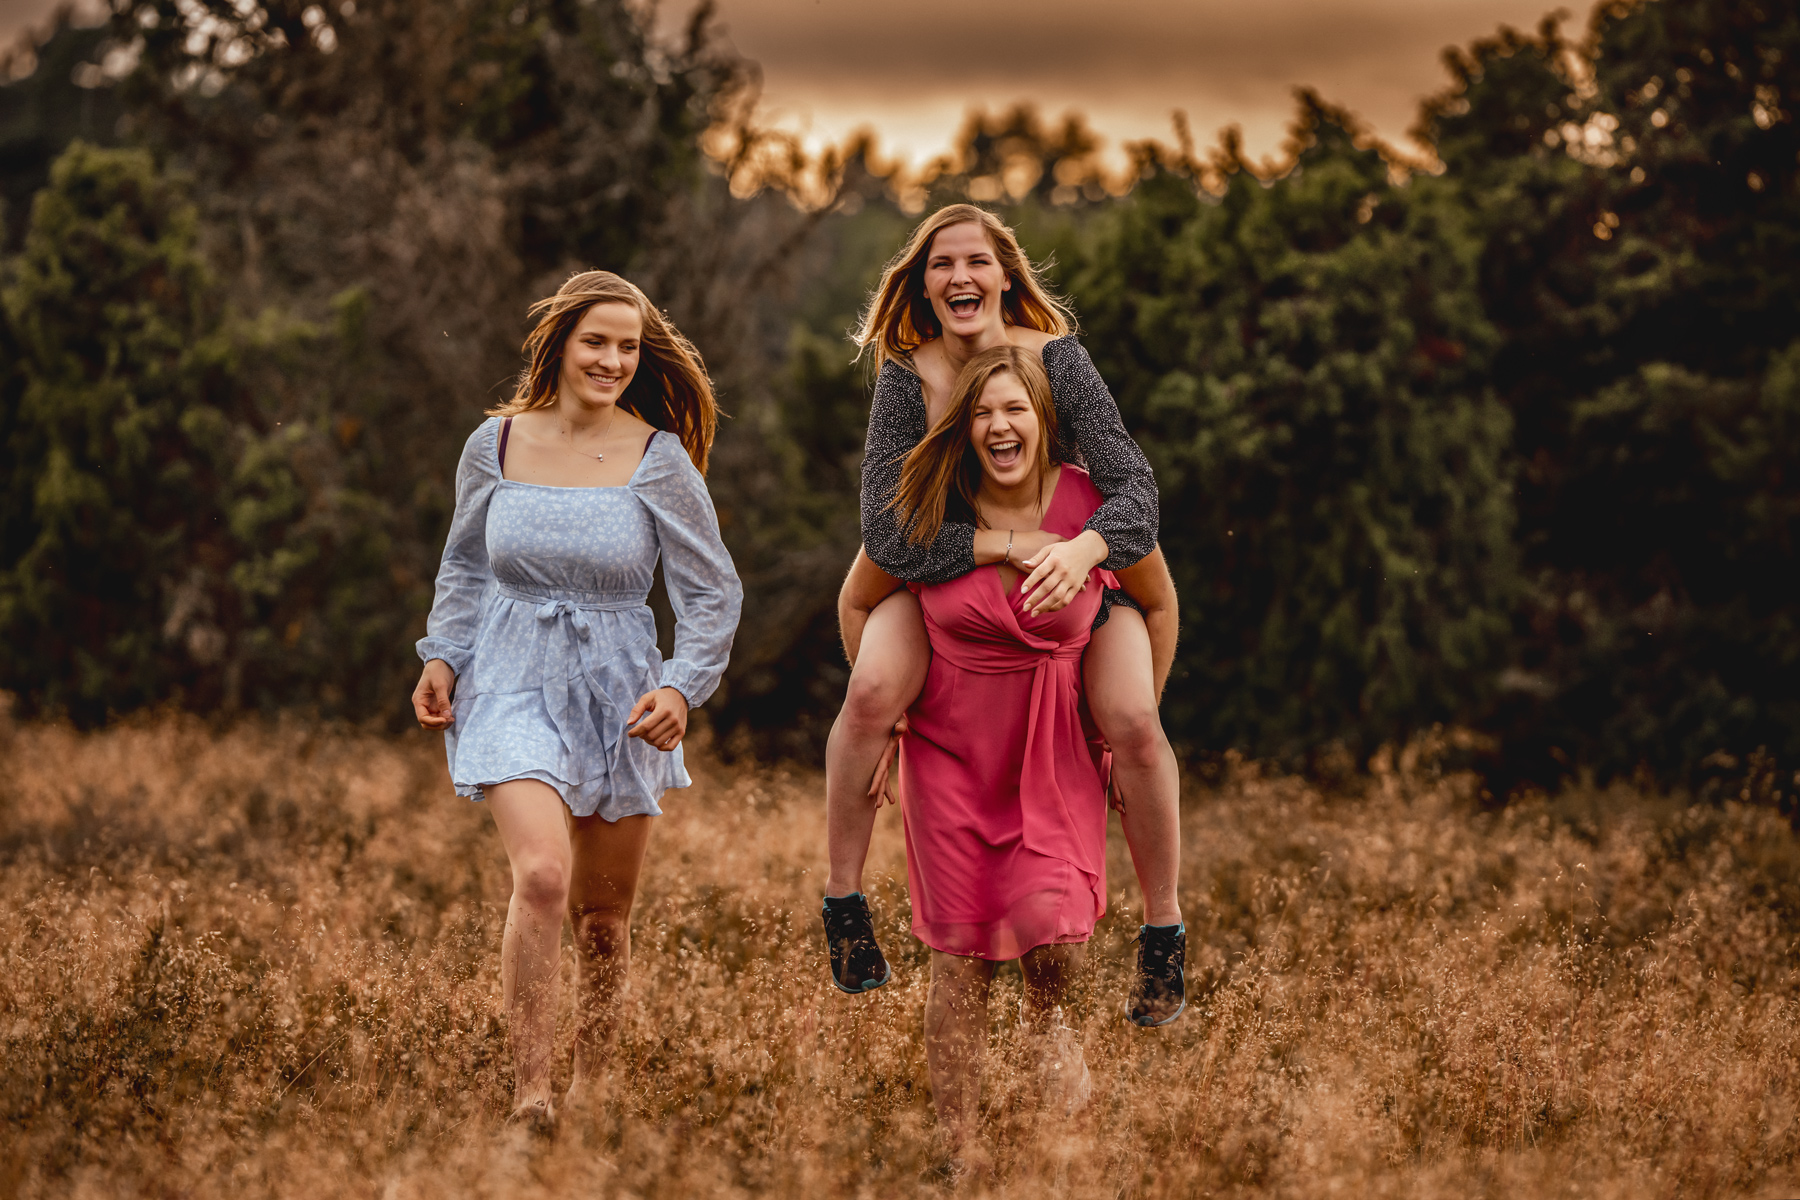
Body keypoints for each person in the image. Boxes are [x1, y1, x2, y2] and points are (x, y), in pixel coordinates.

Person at [821, 203, 1187, 1026]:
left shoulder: (1055, 359)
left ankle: (1163, 927)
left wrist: (1079, 550)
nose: (960, 276)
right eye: (941, 264)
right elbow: (887, 532)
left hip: (1066, 566)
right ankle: (843, 903)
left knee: (1131, 718)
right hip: (938, 557)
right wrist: (998, 545)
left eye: (977, 262)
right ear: (921, 285)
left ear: (1006, 277)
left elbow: (1134, 492)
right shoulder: (906, 375)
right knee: (873, 690)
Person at [411, 271, 742, 1131]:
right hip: (511, 675)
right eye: (597, 341)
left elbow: (711, 594)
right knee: (544, 877)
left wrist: (680, 684)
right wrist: (443, 656)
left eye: (629, 347)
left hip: (620, 694)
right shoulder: (496, 445)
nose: (612, 360)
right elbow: (466, 564)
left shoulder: (657, 457)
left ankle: (593, 1093)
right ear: (558, 343)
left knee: (603, 919)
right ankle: (532, 1097)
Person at [840, 345, 1178, 1160]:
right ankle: (957, 1154)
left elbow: (1159, 605)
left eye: (1015, 409)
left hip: (1054, 747)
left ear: (1044, 422)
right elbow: (859, 601)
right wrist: (886, 716)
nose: (1000, 425)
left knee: (1052, 939)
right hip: (952, 752)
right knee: (960, 963)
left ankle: (1047, 1028)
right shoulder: (930, 513)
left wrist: (1122, 730)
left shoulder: (1092, 507)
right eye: (983, 412)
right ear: (963, 428)